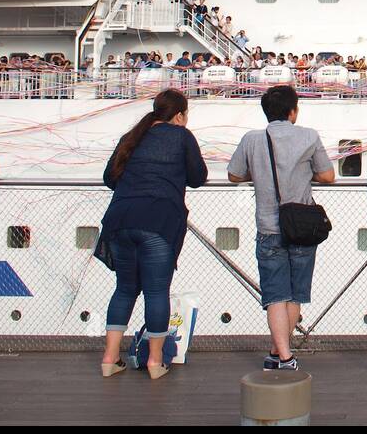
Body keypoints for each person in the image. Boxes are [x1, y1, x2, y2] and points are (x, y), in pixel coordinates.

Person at [100, 89, 207, 379]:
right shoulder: (181, 136)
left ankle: (110, 359)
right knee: (156, 291)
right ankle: (155, 361)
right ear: (180, 114)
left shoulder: (133, 136)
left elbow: (110, 178)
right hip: (159, 220)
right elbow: (198, 178)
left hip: (120, 219)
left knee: (124, 289)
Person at [227, 85, 335, 371]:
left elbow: (234, 174)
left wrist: (259, 173)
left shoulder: (252, 139)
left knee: (275, 294)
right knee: (296, 294)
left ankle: (281, 354)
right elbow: (328, 176)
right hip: (302, 226)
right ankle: (281, 353)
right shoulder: (309, 136)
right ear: (293, 111)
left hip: (268, 227)